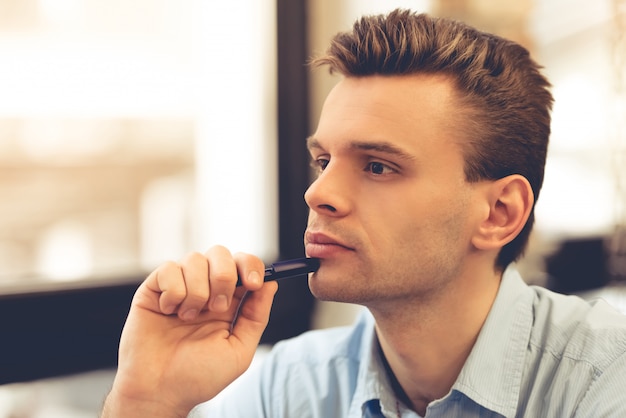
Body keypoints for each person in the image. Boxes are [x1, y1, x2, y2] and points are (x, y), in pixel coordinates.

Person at [101, 9, 626, 418]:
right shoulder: (288, 386)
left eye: (378, 166)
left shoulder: (606, 379)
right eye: (323, 161)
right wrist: (148, 402)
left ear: (498, 213)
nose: (318, 194)